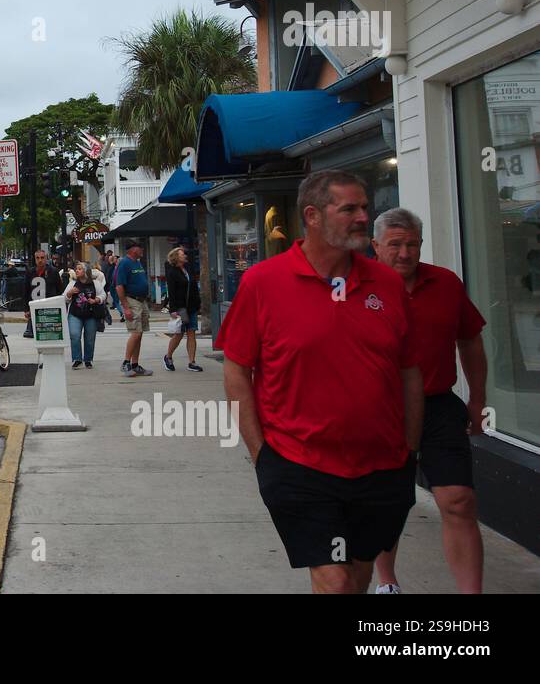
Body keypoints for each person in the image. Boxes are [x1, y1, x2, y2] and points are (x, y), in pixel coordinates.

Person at [218, 170, 422, 594]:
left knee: (359, 573)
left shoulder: (386, 283)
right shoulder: (263, 283)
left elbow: (408, 370)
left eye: (365, 207)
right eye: (348, 208)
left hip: (382, 466)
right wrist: (261, 454)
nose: (363, 217)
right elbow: (237, 369)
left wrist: (410, 448)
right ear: (312, 215)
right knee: (334, 577)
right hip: (299, 464)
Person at [371, 208, 487, 595]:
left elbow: (470, 340)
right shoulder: (355, 288)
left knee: (459, 500)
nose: (405, 253)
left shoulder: (446, 283)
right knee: (389, 502)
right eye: (396, 244)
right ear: (375, 247)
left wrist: (478, 401)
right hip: (383, 410)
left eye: (413, 244)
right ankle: (387, 582)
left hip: (438, 406)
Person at [114, 241, 153, 376]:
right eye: (140, 247)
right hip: (132, 300)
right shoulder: (124, 263)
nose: (142, 249)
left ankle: (135, 364)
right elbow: (119, 286)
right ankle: (126, 363)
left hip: (142, 301)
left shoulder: (137, 262)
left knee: (139, 333)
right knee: (135, 333)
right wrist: (126, 308)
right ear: (132, 249)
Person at [163, 246, 202, 373]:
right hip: (181, 308)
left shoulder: (187, 270)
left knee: (192, 332)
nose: (184, 255)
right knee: (179, 334)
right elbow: (172, 292)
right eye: (182, 254)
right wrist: (173, 309)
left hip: (192, 307)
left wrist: (198, 303)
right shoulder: (172, 272)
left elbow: (194, 287)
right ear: (176, 257)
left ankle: (192, 362)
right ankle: (168, 356)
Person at [62, 262, 105, 369]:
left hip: (91, 314)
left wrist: (96, 300)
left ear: (86, 271)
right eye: (76, 269)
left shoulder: (95, 283)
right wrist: (69, 293)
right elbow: (64, 298)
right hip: (75, 313)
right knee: (74, 335)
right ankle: (77, 359)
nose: (77, 271)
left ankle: (88, 359)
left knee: (90, 338)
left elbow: (103, 294)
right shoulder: (72, 284)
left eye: (80, 269)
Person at [22, 249, 64, 338]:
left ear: (46, 258)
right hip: (35, 307)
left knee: (50, 335)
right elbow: (26, 291)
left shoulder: (53, 272)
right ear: (35, 259)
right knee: (37, 336)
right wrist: (26, 309)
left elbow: (59, 290)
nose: (40, 260)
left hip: (50, 308)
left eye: (42, 257)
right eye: (37, 258)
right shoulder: (30, 272)